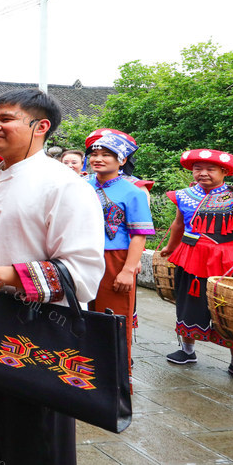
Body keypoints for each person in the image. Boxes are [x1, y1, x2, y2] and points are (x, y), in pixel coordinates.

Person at [0, 89, 104, 465]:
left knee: (36, 438)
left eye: (7, 119)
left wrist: (7, 275)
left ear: (40, 126)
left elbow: (83, 273)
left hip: (37, 338)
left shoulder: (65, 186)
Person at [159, 147, 233, 381]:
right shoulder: (184, 195)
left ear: (224, 171)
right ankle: (187, 351)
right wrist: (170, 247)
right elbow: (178, 225)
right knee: (188, 303)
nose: (203, 173)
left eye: (210, 169)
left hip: (231, 260)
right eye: (198, 169)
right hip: (192, 256)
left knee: (232, 308)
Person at [85, 131, 154, 376]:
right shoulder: (81, 186)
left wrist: (127, 270)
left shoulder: (132, 191)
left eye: (106, 155)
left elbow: (139, 234)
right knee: (84, 315)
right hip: (83, 256)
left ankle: (114, 379)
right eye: (94, 154)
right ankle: (86, 371)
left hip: (114, 258)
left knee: (112, 317)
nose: (98, 159)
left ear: (122, 160)